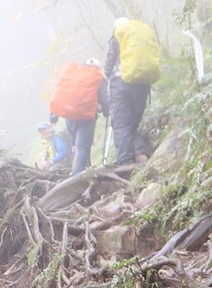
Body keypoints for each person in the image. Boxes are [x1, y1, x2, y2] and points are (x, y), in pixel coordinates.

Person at [104, 17, 160, 165]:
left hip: (122, 84)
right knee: (132, 124)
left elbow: (110, 59)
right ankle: (140, 154)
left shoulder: (118, 33)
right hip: (143, 84)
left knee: (121, 123)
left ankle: (125, 162)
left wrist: (105, 76)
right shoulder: (142, 33)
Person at [49, 59, 110, 175]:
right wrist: (107, 112)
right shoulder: (97, 77)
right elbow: (105, 100)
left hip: (70, 116)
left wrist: (53, 114)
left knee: (77, 146)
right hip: (87, 117)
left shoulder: (74, 75)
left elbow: (62, 94)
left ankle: (86, 169)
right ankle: (78, 174)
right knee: (82, 146)